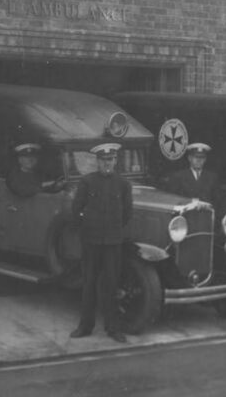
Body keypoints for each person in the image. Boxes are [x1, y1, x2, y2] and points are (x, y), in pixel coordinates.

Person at [70, 141, 133, 344]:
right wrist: (90, 228)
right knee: (88, 283)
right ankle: (85, 326)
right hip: (92, 241)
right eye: (104, 160)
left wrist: (112, 231)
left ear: (116, 161)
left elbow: (127, 213)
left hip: (113, 243)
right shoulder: (87, 182)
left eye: (111, 159)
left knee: (112, 284)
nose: (108, 163)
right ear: (97, 161)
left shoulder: (123, 184)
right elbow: (76, 210)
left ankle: (113, 328)